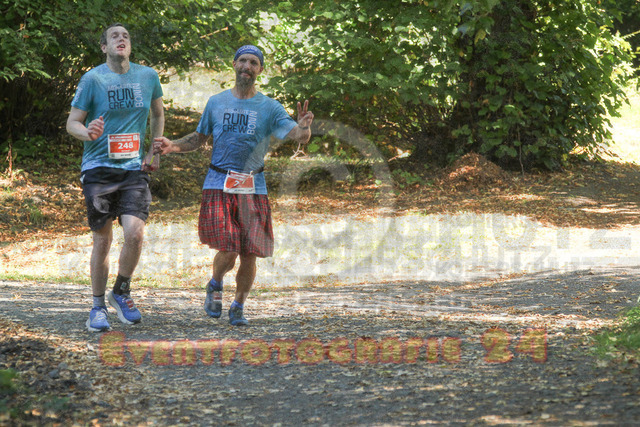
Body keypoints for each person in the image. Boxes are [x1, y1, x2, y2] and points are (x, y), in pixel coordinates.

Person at [153, 44, 313, 326]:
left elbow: (299, 137)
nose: (247, 66)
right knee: (229, 247)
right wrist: (172, 146)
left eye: (253, 62)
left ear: (260, 69)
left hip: (253, 187)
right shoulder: (216, 102)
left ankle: (238, 305)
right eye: (243, 61)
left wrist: (304, 126)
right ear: (234, 64)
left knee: (250, 253)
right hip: (218, 183)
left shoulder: (269, 107)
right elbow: (199, 138)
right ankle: (215, 283)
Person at [66, 23, 165, 332]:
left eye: (126, 36)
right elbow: (72, 122)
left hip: (134, 168)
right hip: (98, 168)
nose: (121, 39)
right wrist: (87, 132)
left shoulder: (148, 76)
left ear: (130, 46)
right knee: (103, 240)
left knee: (135, 234)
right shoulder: (92, 79)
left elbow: (158, 114)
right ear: (104, 47)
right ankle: (97, 307)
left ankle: (121, 291)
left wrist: (154, 151)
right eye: (114, 36)